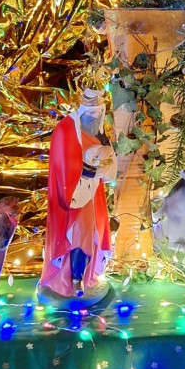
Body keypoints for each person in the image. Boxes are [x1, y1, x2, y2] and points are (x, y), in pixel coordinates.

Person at [38, 88, 116, 304]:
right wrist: (89, 170)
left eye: (99, 113)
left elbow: (109, 163)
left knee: (92, 235)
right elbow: (62, 166)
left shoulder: (99, 133)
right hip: (71, 196)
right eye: (90, 113)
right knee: (77, 235)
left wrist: (105, 166)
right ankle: (74, 279)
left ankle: (86, 274)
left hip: (93, 196)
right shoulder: (65, 130)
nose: (95, 117)